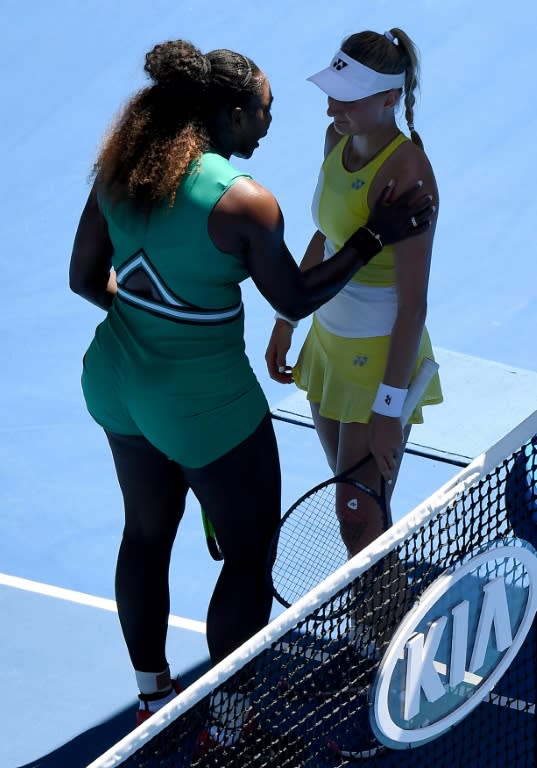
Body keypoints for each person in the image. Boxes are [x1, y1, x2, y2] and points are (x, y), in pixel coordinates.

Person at [69, 38, 433, 741]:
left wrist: (152, 325)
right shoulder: (243, 202)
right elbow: (294, 297)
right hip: (206, 410)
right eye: (263, 112)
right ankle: (229, 729)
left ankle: (152, 697)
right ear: (231, 115)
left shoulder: (121, 168)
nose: (270, 125)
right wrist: (372, 237)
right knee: (246, 553)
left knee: (144, 536)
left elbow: (87, 280)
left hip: (115, 384)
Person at [266, 28, 443, 558]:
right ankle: (381, 625)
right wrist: (286, 319)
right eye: (330, 96)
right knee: (359, 511)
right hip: (328, 345)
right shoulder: (337, 140)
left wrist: (390, 409)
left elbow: (414, 305)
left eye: (347, 100)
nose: (330, 110)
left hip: (380, 359)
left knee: (358, 513)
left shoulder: (409, 173)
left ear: (390, 98)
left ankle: (380, 635)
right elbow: (326, 235)